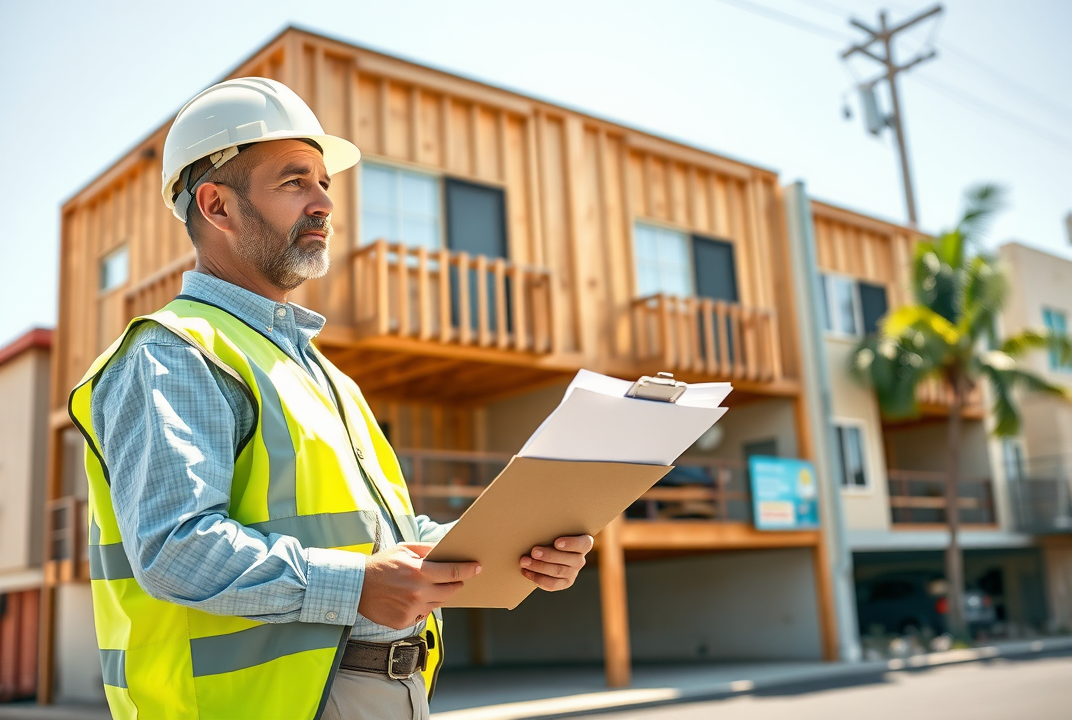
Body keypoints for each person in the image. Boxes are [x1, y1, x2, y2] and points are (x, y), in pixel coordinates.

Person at [69, 77, 593, 720]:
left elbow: (382, 538)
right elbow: (175, 547)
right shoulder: (173, 353)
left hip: (387, 691)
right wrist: (356, 587)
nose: (323, 204)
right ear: (217, 206)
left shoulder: (322, 374)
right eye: (295, 182)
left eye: (324, 184)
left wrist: (507, 547)